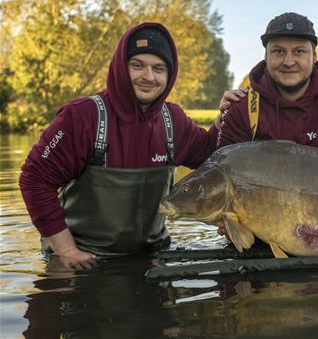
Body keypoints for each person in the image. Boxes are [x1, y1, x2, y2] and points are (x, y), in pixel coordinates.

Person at [19, 22, 221, 269]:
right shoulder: (82, 116)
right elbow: (35, 178)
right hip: (83, 260)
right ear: (120, 68)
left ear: (170, 76)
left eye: (158, 69)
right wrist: (67, 250)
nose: (148, 77)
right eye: (137, 66)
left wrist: (230, 116)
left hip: (152, 258)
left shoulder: (174, 120)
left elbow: (216, 159)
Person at [217, 12, 318, 244]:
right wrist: (229, 221)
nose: (288, 61)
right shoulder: (242, 107)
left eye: (299, 51)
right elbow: (222, 172)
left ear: (314, 55)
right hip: (259, 237)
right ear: (265, 56)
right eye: (278, 51)